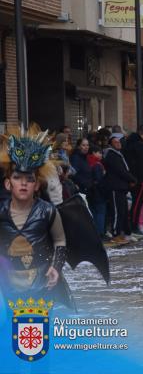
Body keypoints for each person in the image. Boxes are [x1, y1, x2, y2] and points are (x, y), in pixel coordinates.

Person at [0, 128, 69, 305]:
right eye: (17, 178)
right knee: (8, 330)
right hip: (6, 286)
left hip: (41, 285)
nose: (23, 183)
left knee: (34, 331)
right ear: (8, 183)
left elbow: (60, 241)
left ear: (37, 184)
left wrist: (56, 267)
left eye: (29, 179)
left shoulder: (48, 211)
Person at [103, 133, 136, 242]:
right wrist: (132, 179)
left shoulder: (118, 154)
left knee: (124, 212)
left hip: (121, 186)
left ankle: (126, 232)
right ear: (111, 144)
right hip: (115, 186)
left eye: (119, 142)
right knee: (117, 211)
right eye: (115, 142)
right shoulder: (111, 155)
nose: (118, 144)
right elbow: (120, 170)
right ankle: (115, 234)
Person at [124, 125, 143, 234]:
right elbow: (141, 164)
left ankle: (131, 224)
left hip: (130, 176)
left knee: (132, 202)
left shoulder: (127, 143)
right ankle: (134, 224)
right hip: (139, 179)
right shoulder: (140, 145)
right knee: (137, 203)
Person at [87, 144, 107, 239]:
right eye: (99, 153)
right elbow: (100, 180)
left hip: (90, 192)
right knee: (100, 212)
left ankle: (94, 233)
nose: (101, 155)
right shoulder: (97, 165)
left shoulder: (88, 162)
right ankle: (100, 233)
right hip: (98, 193)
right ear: (94, 153)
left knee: (94, 212)